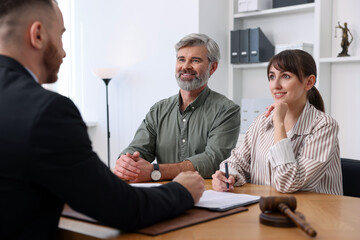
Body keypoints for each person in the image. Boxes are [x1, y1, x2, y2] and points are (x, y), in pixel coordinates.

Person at [0, 1, 205, 239]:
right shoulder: (47, 111)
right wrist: (182, 190)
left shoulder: (226, 109)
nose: (65, 52)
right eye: (61, 36)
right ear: (37, 35)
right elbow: (124, 208)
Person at [212, 49, 343, 195]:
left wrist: (279, 123)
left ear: (309, 82)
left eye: (286, 76)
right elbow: (237, 162)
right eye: (272, 77)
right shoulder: (261, 121)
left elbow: (288, 183)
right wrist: (227, 175)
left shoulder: (324, 126)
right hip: (265, 208)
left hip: (313, 212)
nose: (276, 85)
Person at [114, 33, 240, 182]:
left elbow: (213, 161)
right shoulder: (158, 110)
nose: (186, 66)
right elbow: (139, 148)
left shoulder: (226, 111)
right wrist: (126, 162)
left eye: (195, 60)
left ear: (212, 67)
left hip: (206, 194)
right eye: (181, 59)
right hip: (162, 195)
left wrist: (155, 171)